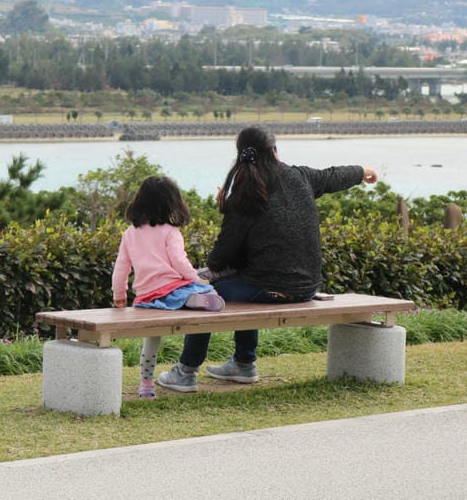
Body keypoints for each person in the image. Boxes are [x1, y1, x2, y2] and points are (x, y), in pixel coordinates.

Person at [157, 126, 378, 393]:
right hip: (306, 288)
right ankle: (242, 363)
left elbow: (218, 260)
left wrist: (226, 209)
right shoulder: (301, 176)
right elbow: (333, 176)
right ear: (274, 150)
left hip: (268, 288)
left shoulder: (244, 195)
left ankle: (186, 371)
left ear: (241, 156)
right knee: (244, 277)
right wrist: (364, 170)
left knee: (200, 289)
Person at [112, 175, 225, 399]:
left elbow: (121, 267)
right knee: (203, 290)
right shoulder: (170, 232)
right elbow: (180, 262)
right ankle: (196, 300)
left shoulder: (130, 233)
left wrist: (119, 295)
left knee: (152, 340)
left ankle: (146, 386)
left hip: (146, 296)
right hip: (173, 288)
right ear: (171, 203)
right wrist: (196, 279)